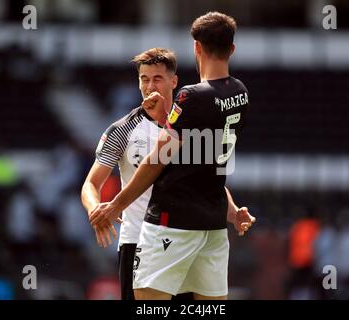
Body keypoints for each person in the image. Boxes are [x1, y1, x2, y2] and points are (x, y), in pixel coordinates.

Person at [90, 12, 252, 300]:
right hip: (211, 224)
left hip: (171, 223)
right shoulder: (240, 93)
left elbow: (157, 160)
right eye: (144, 79)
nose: (150, 86)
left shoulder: (191, 97)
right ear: (232, 50)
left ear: (197, 48)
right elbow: (203, 162)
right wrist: (232, 210)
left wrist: (115, 205)